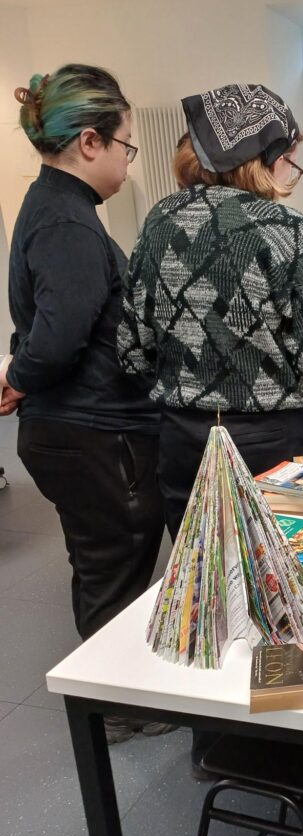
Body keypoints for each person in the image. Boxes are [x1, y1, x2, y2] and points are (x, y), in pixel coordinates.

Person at [117, 82, 303, 775]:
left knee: (202, 585)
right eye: (287, 156)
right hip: (270, 445)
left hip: (182, 441)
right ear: (263, 155)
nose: (289, 170)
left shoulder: (158, 223)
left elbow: (131, 349)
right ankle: (283, 745)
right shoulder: (290, 233)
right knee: (277, 585)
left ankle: (212, 744)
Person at [1, 64, 173, 745]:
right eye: (126, 146)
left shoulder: (54, 208)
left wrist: (20, 373)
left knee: (103, 562)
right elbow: (58, 335)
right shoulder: (67, 222)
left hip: (84, 428)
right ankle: (119, 708)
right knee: (114, 569)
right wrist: (20, 376)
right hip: (95, 432)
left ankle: (115, 697)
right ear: (90, 142)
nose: (129, 162)